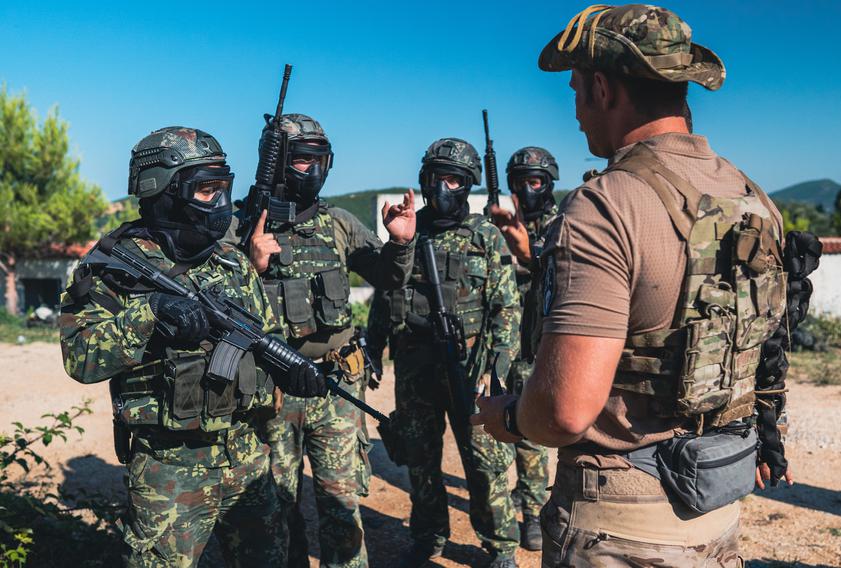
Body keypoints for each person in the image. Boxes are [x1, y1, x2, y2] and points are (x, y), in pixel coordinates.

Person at [473, 5, 792, 567]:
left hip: (618, 528)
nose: (574, 112)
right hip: (717, 508)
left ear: (602, 88)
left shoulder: (606, 204)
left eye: (574, 90)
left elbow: (566, 410)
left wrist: (508, 415)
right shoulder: (753, 198)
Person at [60, 126, 328, 566]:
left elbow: (266, 337)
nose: (221, 204)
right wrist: (151, 316)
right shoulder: (112, 265)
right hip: (169, 466)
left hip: (248, 457)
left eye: (223, 188)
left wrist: (291, 369)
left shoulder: (231, 262)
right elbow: (80, 357)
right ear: (164, 191)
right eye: (206, 190)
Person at [227, 114, 416, 568]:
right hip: (269, 393)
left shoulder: (340, 224)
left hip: (336, 386)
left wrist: (400, 243)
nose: (311, 170)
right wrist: (251, 264)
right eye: (300, 160)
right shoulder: (239, 226)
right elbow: (216, 305)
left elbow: (390, 277)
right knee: (273, 510)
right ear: (276, 163)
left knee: (341, 503)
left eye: (319, 160)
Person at [366, 138, 521, 567]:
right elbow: (385, 295)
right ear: (424, 179)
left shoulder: (485, 236)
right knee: (420, 461)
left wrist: (498, 364)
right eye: (438, 178)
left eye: (454, 180)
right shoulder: (408, 233)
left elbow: (505, 306)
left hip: (469, 367)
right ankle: (429, 536)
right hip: (416, 365)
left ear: (468, 185)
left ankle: (501, 546)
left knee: (484, 463)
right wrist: (374, 348)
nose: (443, 189)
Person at [490, 146, 561, 551]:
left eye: (534, 182)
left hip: (538, 344)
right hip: (500, 343)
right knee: (497, 424)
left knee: (531, 431)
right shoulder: (495, 226)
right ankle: (505, 506)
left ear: (548, 183)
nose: (527, 190)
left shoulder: (562, 225)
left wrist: (526, 250)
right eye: (519, 183)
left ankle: (533, 512)